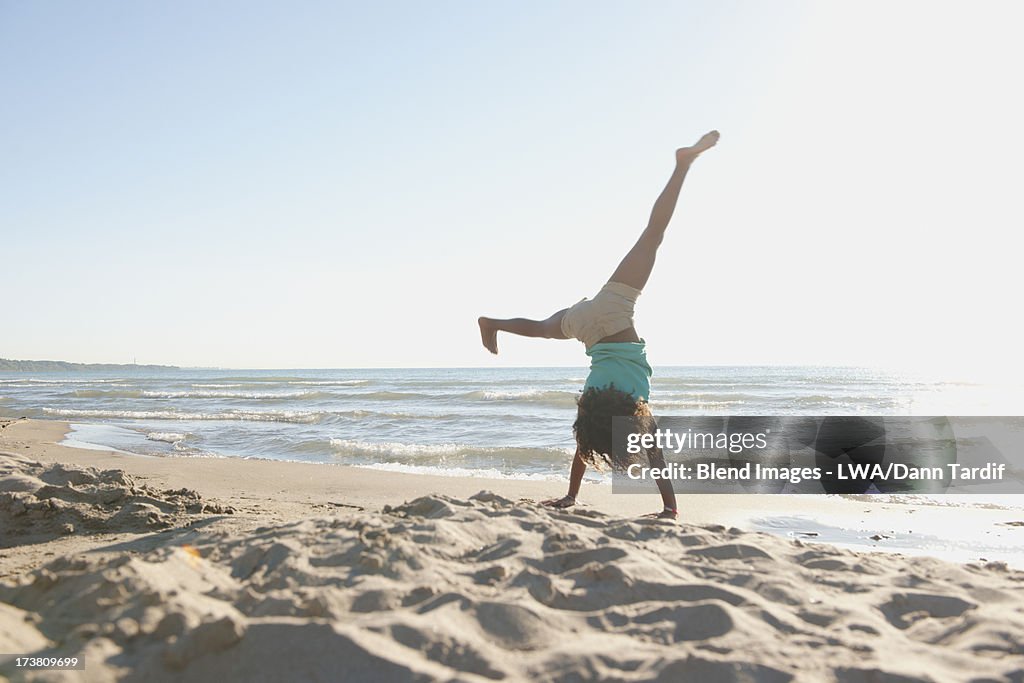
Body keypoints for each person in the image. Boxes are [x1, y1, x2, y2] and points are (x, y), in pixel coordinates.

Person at [477, 130, 720, 520]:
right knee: (543, 327)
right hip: (587, 326)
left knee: (653, 235)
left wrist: (671, 509)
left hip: (612, 313)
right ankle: (494, 324)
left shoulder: (635, 406)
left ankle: (681, 165)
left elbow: (652, 455)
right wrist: (571, 496)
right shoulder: (592, 402)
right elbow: (584, 448)